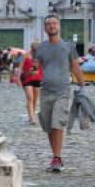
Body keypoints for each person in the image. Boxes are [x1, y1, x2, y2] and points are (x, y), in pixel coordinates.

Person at [33, 14, 85, 172]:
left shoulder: (68, 46)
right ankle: (55, 156)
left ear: (59, 26)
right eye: (48, 24)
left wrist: (82, 85)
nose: (52, 26)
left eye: (54, 23)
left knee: (57, 123)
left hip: (62, 90)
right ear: (45, 28)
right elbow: (36, 66)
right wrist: (27, 71)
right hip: (46, 91)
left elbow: (75, 66)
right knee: (48, 126)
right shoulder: (41, 48)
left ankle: (57, 158)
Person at [19, 42, 43, 125]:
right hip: (27, 79)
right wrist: (18, 78)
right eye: (34, 48)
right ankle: (32, 118)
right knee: (30, 98)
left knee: (35, 99)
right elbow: (21, 67)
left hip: (37, 78)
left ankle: (31, 115)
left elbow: (43, 67)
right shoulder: (26, 55)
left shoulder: (40, 56)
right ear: (31, 47)